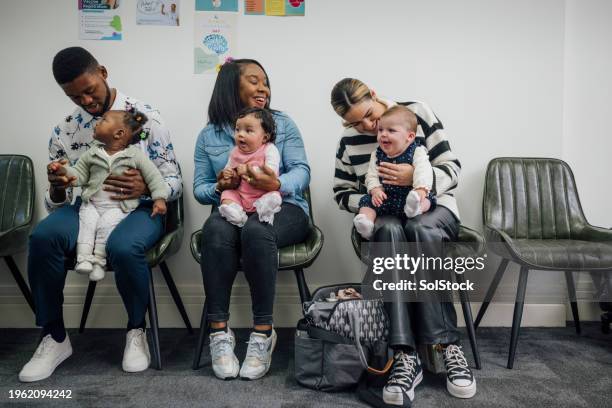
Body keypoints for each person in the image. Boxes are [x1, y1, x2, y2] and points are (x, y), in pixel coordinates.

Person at [19, 47, 182, 382]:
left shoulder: (146, 118)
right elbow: (58, 205)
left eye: (89, 90)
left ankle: (136, 330)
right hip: (90, 205)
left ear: (103, 73)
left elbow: (174, 178)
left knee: (123, 247)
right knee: (43, 237)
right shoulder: (65, 130)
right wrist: (58, 187)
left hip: (140, 209)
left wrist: (147, 189)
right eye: (75, 96)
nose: (86, 102)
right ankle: (53, 336)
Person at [331, 78, 476, 405]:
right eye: (355, 122)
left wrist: (416, 179)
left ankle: (445, 346)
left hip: (433, 209)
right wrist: (370, 200)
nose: (368, 127)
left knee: (419, 231)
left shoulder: (417, 113)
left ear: (372, 93)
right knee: (391, 232)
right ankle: (404, 354)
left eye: (368, 115)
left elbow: (452, 169)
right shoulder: (349, 143)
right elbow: (340, 193)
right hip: (383, 217)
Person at [193, 58, 310, 380]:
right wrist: (220, 186)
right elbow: (200, 189)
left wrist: (277, 184)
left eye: (266, 82)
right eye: (254, 81)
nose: (264, 88)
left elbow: (302, 171)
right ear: (231, 86)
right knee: (214, 231)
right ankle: (219, 333)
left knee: (258, 231)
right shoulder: (209, 136)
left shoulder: (282, 124)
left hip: (284, 208)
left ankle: (262, 333)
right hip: (234, 207)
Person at [47, 109, 169, 282]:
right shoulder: (92, 153)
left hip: (119, 207)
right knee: (87, 225)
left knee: (105, 226)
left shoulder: (135, 156)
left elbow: (154, 177)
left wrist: (159, 199)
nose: (97, 122)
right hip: (92, 204)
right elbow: (79, 174)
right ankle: (83, 259)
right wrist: (63, 171)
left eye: (103, 120)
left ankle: (99, 261)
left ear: (119, 133)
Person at [354, 105, 435, 240]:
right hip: (387, 198)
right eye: (380, 130)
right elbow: (371, 175)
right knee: (367, 202)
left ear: (409, 136)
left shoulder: (417, 151)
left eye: (391, 130)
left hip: (410, 197)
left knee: (428, 200)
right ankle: (366, 225)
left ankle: (416, 209)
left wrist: (420, 190)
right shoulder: (377, 154)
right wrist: (376, 190)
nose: (383, 134)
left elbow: (423, 170)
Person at [218, 107, 282, 227]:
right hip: (241, 195)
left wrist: (248, 170)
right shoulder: (234, 152)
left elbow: (271, 171)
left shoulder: (269, 149)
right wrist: (228, 173)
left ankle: (265, 209)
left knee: (273, 196)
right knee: (227, 194)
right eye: (237, 130)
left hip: (263, 193)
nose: (240, 134)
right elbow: (229, 168)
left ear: (265, 137)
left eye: (248, 131)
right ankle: (235, 214)